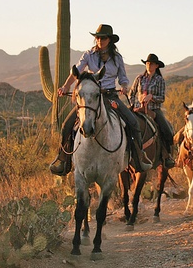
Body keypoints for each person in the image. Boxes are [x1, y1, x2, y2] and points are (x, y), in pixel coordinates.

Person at [49, 24, 152, 176]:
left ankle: (139, 157)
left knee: (133, 122)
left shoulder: (117, 58)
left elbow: (123, 78)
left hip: (110, 96)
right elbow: (77, 72)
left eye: (103, 38)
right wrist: (65, 87)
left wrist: (124, 86)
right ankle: (63, 160)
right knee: (66, 125)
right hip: (90, 97)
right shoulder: (88, 55)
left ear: (109, 40)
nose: (99, 40)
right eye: (97, 37)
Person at [128, 54, 175, 169]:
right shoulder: (139, 78)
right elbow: (131, 94)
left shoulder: (160, 80)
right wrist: (133, 104)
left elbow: (162, 98)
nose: (149, 65)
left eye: (152, 64)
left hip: (153, 109)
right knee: (124, 123)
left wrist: (152, 97)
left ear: (156, 66)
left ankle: (167, 155)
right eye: (148, 63)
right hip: (138, 109)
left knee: (166, 129)